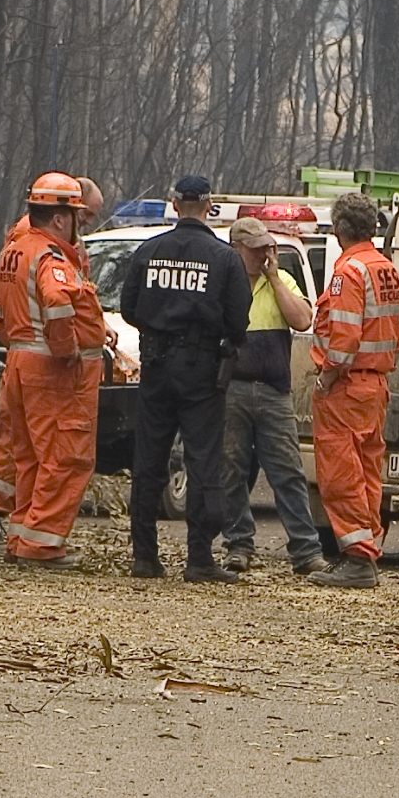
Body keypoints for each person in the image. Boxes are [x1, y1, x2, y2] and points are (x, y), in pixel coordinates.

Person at [0, 176, 110, 556]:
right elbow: (57, 301)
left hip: (20, 361)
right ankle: (38, 544)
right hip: (49, 369)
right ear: (62, 218)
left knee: (24, 452)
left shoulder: (17, 248)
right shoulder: (49, 254)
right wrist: (66, 350)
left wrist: (20, 340)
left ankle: (19, 536)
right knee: (65, 455)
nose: (84, 225)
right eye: (82, 217)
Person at [121, 175, 252, 583]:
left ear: (175, 204)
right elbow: (238, 321)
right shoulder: (224, 258)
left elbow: (129, 308)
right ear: (209, 205)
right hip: (201, 369)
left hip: (156, 364)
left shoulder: (148, 251)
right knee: (202, 461)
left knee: (149, 460)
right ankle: (199, 559)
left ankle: (145, 557)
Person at [219, 217, 328, 576]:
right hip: (232, 388)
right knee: (231, 469)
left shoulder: (282, 282)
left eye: (267, 247)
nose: (263, 253)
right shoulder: (223, 283)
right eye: (255, 249)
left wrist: (274, 278)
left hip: (273, 391)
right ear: (237, 249)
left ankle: (306, 550)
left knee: (288, 473)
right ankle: (238, 544)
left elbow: (301, 320)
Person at [308, 193, 399, 589]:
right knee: (367, 472)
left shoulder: (348, 271)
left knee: (340, 474)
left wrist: (327, 378)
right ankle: (366, 551)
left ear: (339, 229)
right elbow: (395, 335)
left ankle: (357, 560)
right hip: (375, 384)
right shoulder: (387, 270)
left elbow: (343, 338)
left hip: (346, 388)